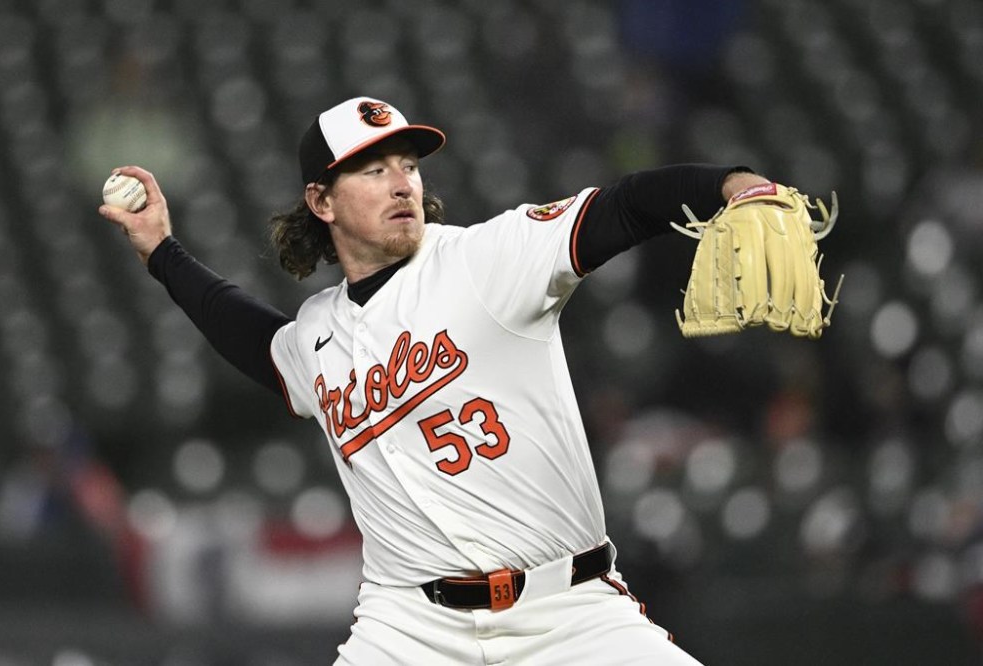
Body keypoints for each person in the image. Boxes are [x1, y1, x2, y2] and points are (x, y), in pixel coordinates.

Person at [99, 96, 771, 665]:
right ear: (321, 201)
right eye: (372, 168)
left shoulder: (486, 260)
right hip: (410, 629)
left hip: (567, 613)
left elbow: (620, 208)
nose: (400, 183)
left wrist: (726, 184)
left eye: (408, 165)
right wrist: (162, 251)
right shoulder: (318, 335)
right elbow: (252, 339)